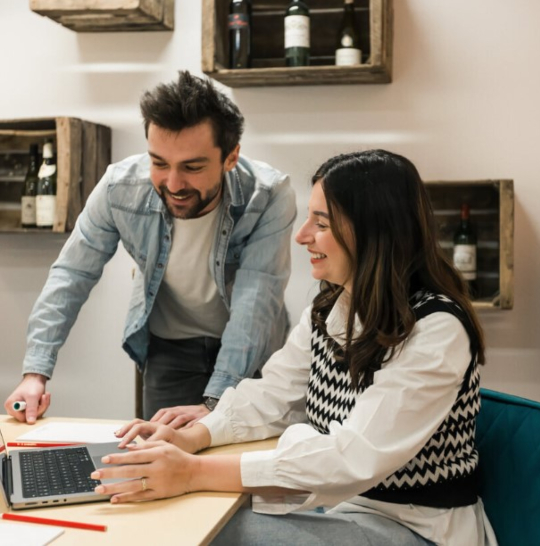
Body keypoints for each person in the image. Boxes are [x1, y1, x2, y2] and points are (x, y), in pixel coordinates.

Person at [90, 150, 498, 546]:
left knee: (206, 531)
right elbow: (272, 396)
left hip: (412, 526)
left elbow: (351, 459)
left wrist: (193, 472)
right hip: (341, 509)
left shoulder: (437, 328)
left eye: (321, 223)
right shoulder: (330, 307)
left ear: (374, 232)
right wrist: (192, 438)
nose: (302, 236)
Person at [3, 71, 296, 428]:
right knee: (160, 466)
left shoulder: (267, 195)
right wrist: (35, 372)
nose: (173, 183)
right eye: (159, 163)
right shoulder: (119, 188)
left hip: (256, 353)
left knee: (240, 468)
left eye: (192, 167)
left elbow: (257, 298)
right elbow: (72, 274)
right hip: (169, 349)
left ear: (231, 157)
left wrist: (217, 399)